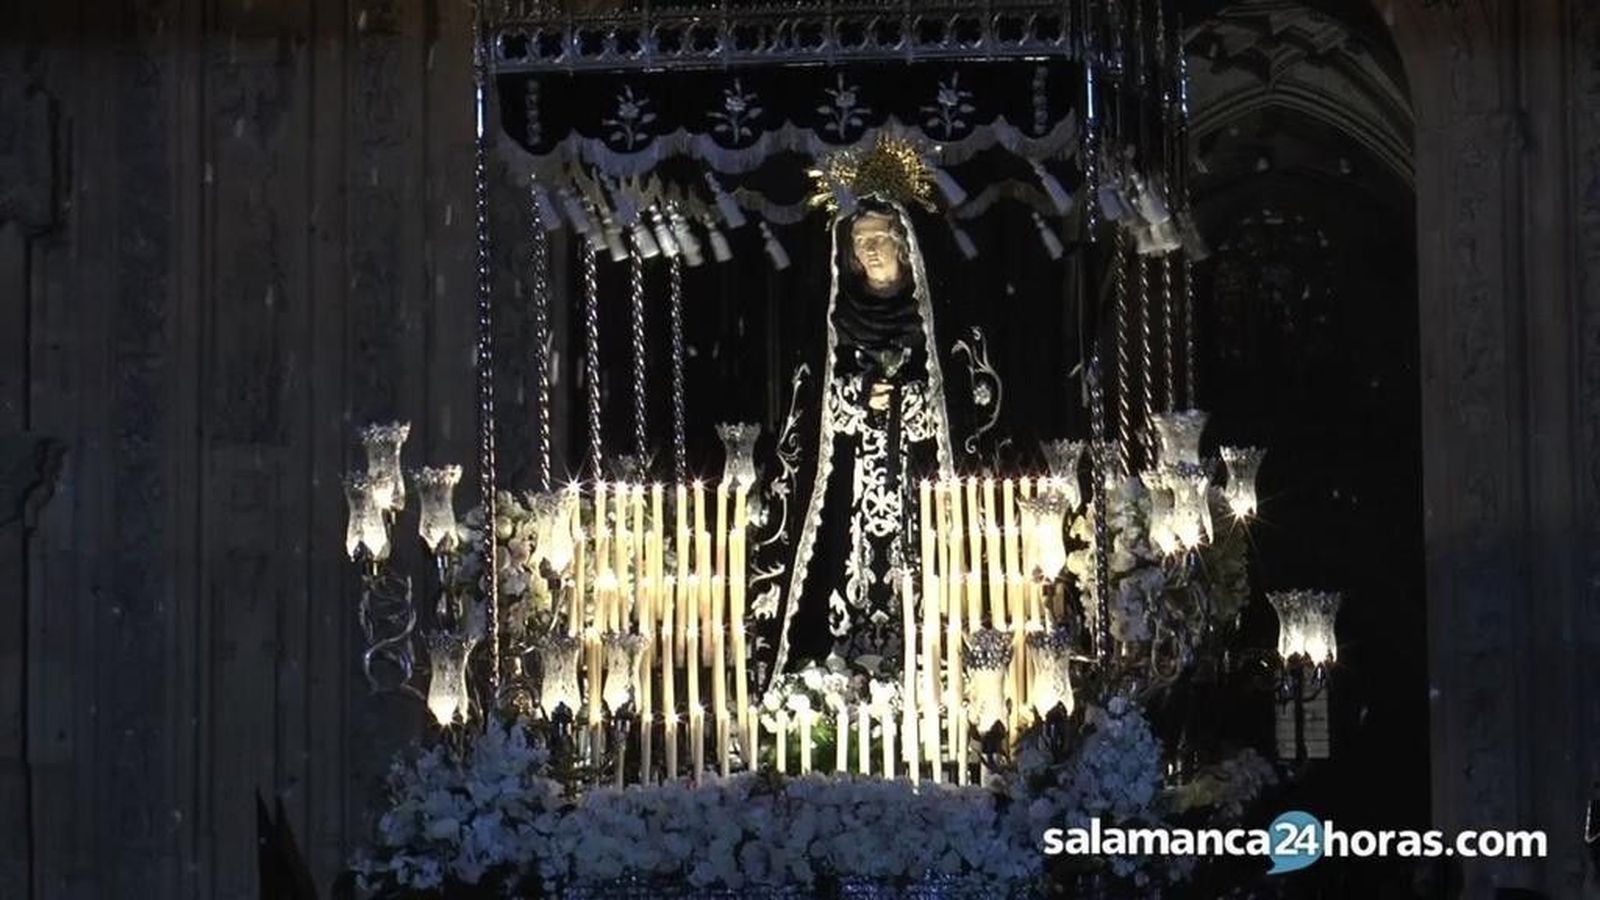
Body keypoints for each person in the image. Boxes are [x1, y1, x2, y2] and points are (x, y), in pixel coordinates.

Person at [766, 179, 960, 679]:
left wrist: (909, 398)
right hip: (850, 477)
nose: (869, 250)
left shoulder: (931, 318)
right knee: (839, 564)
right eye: (859, 242)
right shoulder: (837, 318)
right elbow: (808, 402)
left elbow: (957, 397)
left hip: (915, 479)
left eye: (877, 239)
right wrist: (856, 396)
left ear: (901, 241)